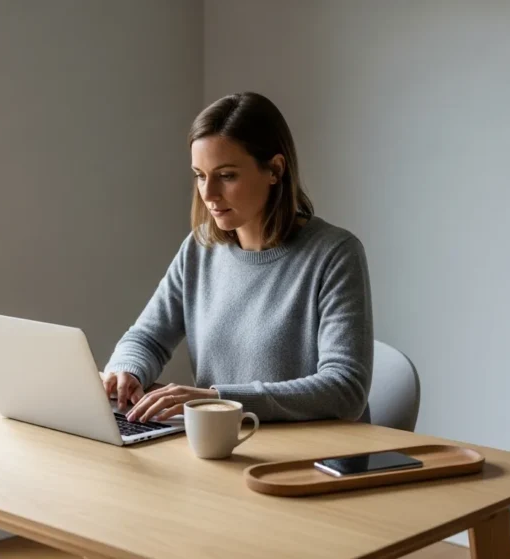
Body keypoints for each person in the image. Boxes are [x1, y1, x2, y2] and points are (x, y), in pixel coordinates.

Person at [102, 92, 373, 424]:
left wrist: (220, 400)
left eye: (226, 176)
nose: (208, 193)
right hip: (225, 447)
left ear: (275, 169)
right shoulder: (199, 249)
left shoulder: (335, 254)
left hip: (310, 461)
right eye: (200, 175)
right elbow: (147, 337)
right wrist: (126, 368)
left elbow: (345, 389)